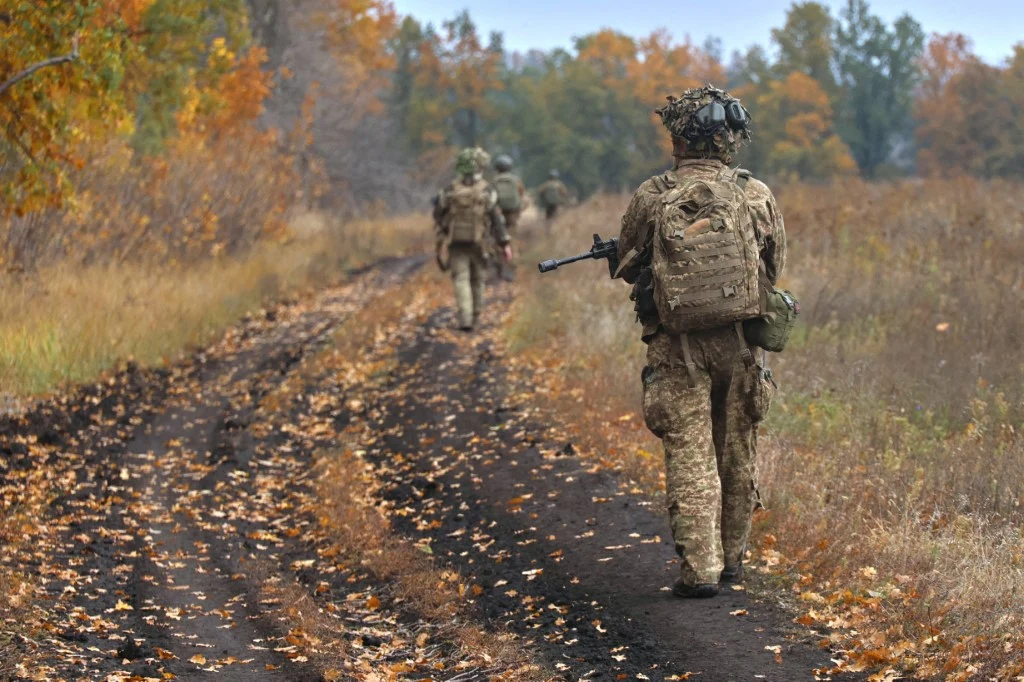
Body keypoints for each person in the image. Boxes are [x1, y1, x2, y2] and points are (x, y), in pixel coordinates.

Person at [611, 85, 786, 598]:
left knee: (690, 454)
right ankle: (733, 562)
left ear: (678, 137)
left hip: (675, 347)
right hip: (740, 342)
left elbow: (628, 264)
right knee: (736, 449)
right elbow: (773, 268)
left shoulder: (653, 194)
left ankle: (700, 571)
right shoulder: (755, 193)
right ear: (728, 140)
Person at [433, 147, 512, 331]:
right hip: (480, 243)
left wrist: (446, 230)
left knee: (461, 279)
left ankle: (465, 319)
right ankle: (476, 317)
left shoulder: (450, 190)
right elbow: (496, 220)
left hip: (455, 242)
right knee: (478, 280)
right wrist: (505, 244)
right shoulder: (487, 191)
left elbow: (438, 214)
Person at [492, 154, 527, 280]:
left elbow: (490, 199)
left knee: (498, 239)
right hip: (513, 214)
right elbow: (523, 196)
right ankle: (512, 267)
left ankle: (500, 266)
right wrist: (519, 209)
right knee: (511, 239)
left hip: (497, 214)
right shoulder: (516, 180)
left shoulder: (494, 181)